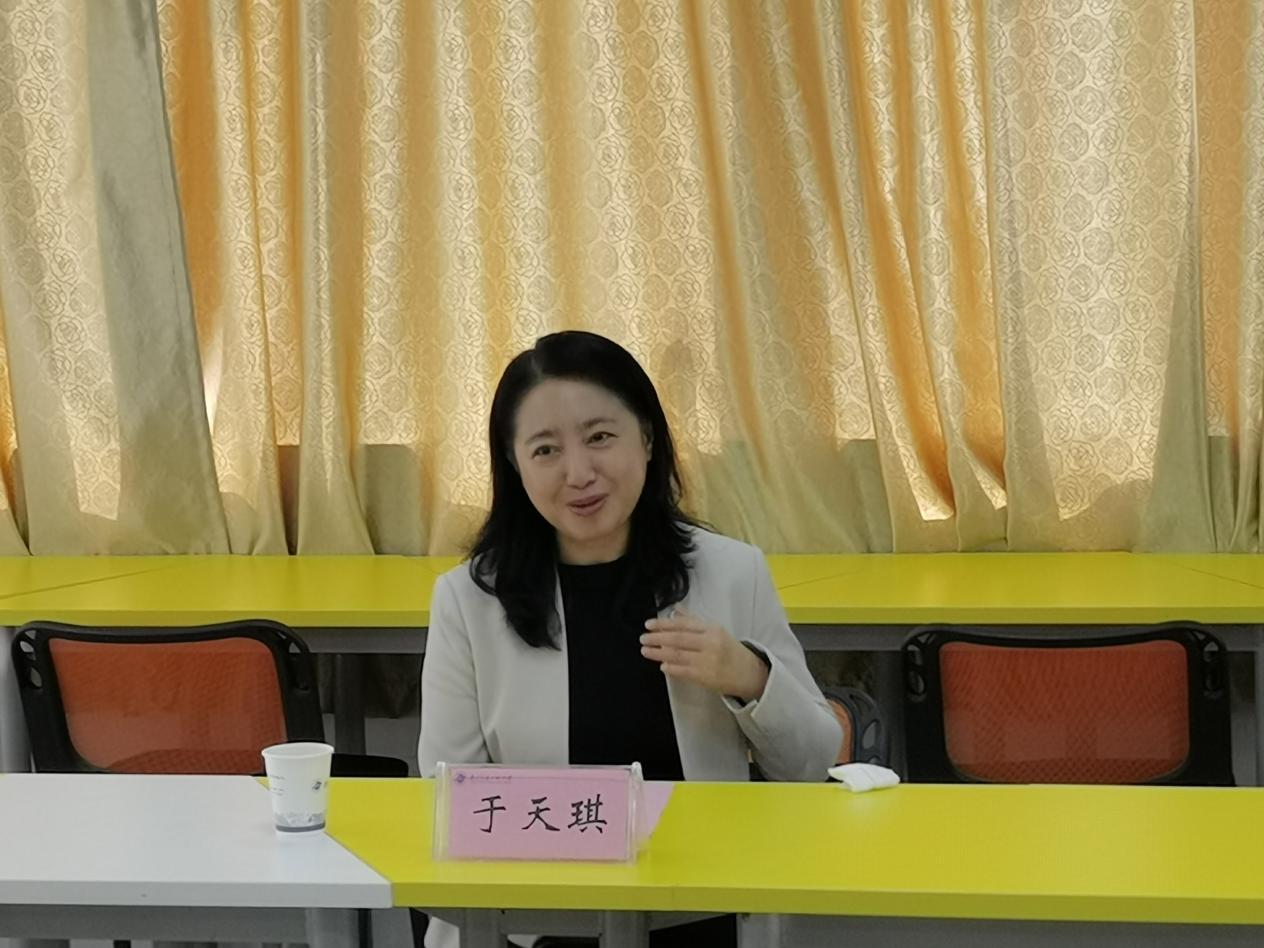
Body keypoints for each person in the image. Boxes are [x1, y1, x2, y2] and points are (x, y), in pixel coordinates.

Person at [418, 331, 842, 948]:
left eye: (599, 437)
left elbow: (811, 765)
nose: (579, 473)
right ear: (514, 465)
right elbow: (451, 796)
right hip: (536, 922)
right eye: (545, 450)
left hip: (703, 910)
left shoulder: (731, 572)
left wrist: (748, 676)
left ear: (646, 437)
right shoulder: (469, 600)